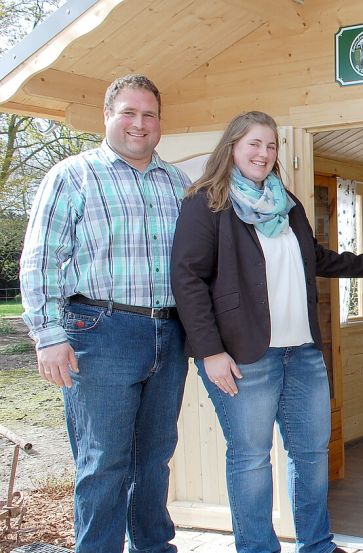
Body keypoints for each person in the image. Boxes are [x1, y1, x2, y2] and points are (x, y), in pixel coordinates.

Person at [170, 111, 363, 553]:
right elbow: (187, 279)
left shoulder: (287, 203)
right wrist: (209, 352)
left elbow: (310, 257)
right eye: (254, 143)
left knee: (312, 456)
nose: (263, 153)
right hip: (244, 357)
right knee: (252, 459)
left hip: (302, 352)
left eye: (271, 145)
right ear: (232, 147)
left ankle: (316, 545)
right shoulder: (206, 203)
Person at [19, 74, 191, 553]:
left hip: (169, 332)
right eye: (129, 113)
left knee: (155, 460)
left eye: (149, 114)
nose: (140, 124)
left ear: (159, 122)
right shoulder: (73, 175)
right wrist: (48, 335)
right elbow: (40, 260)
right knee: (104, 461)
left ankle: (153, 548)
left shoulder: (179, 183)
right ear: (107, 116)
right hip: (100, 331)